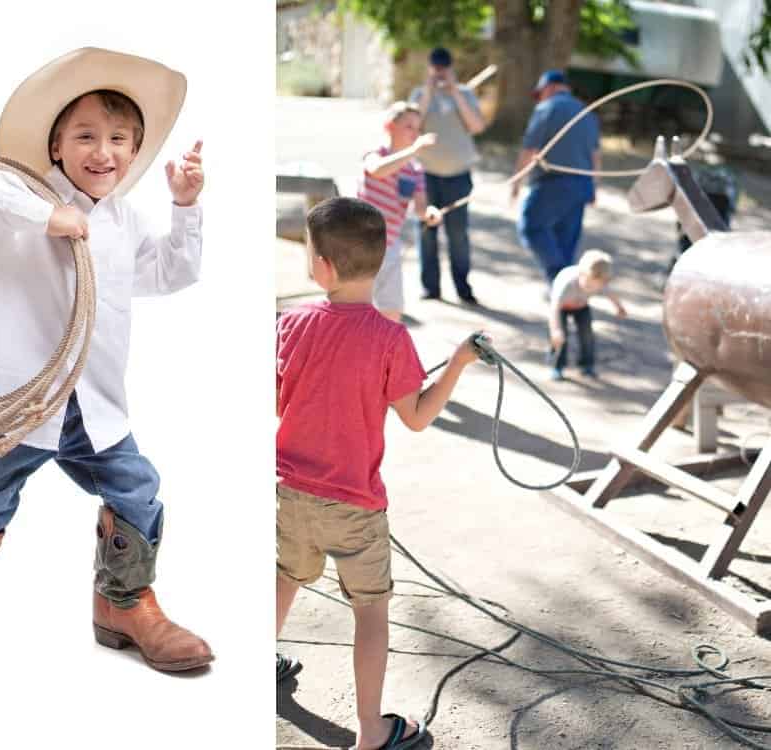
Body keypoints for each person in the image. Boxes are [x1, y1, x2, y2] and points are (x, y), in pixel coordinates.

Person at [0, 48, 213, 698]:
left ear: (136, 151)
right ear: (55, 144)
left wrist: (186, 206)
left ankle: (124, 601)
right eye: (85, 135)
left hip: (94, 405)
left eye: (119, 139)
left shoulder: (124, 219)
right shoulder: (17, 197)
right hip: (20, 402)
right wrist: (47, 215)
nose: (102, 151)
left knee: (138, 491)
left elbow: (171, 272)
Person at [276, 197, 487, 750]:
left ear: (321, 266)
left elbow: (282, 401)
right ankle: (372, 731)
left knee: (282, 578)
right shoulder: (392, 339)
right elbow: (416, 417)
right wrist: (458, 364)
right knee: (370, 610)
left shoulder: (291, 324)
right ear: (380, 257)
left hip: (292, 492)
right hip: (355, 505)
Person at [409, 47, 486, 305]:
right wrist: (429, 94)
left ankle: (463, 288)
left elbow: (476, 126)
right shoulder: (419, 95)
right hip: (426, 175)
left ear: (451, 68)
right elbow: (413, 127)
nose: (440, 72)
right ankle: (431, 288)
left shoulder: (464, 93)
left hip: (458, 175)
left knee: (458, 236)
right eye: (436, 67)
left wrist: (455, 93)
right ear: (429, 67)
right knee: (427, 232)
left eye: (444, 67)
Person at [513, 69, 601, 284]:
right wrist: (593, 187)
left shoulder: (546, 108)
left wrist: (516, 182)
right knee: (567, 241)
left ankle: (562, 279)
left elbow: (529, 149)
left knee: (532, 226)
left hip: (552, 182)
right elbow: (595, 155)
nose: (539, 98)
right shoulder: (586, 112)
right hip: (581, 184)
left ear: (549, 88)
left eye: (540, 93)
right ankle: (569, 291)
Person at [357, 101, 442, 322]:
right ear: (389, 126)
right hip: (360, 242)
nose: (415, 133)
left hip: (390, 244)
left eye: (418, 128)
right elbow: (377, 170)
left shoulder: (415, 170)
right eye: (409, 126)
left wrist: (430, 213)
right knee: (356, 305)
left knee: (392, 308)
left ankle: (385, 353)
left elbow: (421, 207)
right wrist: (413, 151)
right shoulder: (374, 153)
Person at [547, 249, 626, 380]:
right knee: (560, 338)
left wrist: (619, 307)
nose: (591, 289)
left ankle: (587, 365)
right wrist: (556, 330)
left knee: (587, 335)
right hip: (562, 307)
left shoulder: (600, 281)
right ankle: (557, 366)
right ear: (581, 274)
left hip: (581, 306)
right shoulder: (566, 283)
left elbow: (611, 294)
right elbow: (554, 309)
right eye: (588, 285)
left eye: (595, 287)